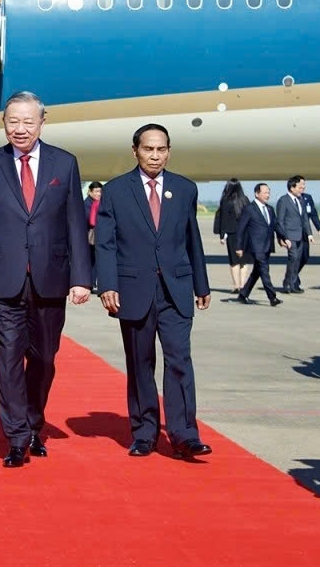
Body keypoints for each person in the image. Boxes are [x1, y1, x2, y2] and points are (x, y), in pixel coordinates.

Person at [0, 91, 91, 468]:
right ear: (4, 124)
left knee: (45, 359)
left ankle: (35, 423)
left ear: (42, 122)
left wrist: (82, 277)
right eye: (12, 122)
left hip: (51, 278)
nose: (19, 129)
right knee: (8, 360)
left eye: (27, 122)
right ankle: (16, 436)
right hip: (4, 280)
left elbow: (75, 224)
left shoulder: (64, 164)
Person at [94, 124, 212, 459]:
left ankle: (185, 433)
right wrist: (108, 285)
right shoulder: (116, 191)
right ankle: (145, 432)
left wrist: (201, 284)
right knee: (140, 363)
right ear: (136, 151)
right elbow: (105, 243)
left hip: (176, 290)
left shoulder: (184, 189)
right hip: (133, 290)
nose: (155, 156)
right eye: (148, 149)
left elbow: (193, 240)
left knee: (179, 360)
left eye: (161, 150)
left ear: (169, 151)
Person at [213, 179, 251, 293]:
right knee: (244, 261)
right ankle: (243, 285)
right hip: (245, 233)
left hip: (232, 234)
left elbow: (223, 219)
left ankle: (236, 285)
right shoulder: (245, 200)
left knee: (234, 261)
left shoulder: (225, 200)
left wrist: (222, 236)